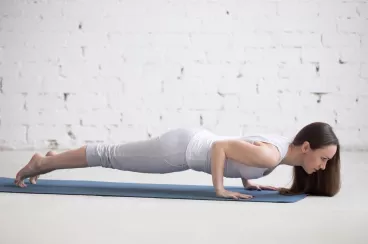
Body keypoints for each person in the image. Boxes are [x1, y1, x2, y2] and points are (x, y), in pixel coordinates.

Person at [14, 121, 341, 200]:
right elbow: (222, 149)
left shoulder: (279, 151)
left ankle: (54, 159)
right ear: (308, 146)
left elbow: (241, 150)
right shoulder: (272, 154)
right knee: (110, 156)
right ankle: (44, 163)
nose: (323, 167)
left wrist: (248, 180)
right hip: (180, 150)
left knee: (111, 155)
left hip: (186, 143)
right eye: (324, 159)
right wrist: (220, 189)